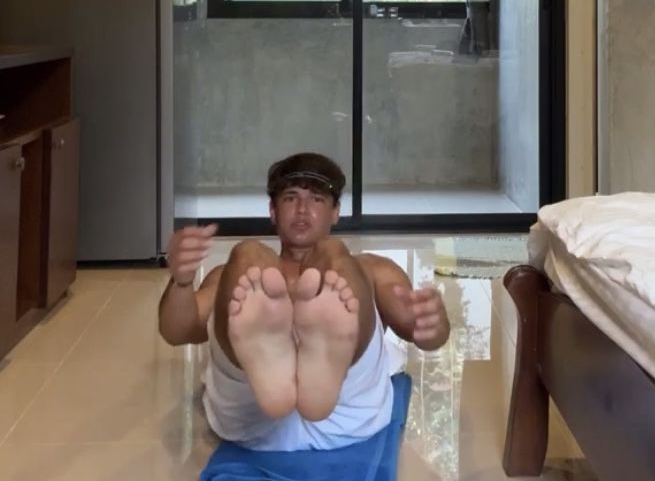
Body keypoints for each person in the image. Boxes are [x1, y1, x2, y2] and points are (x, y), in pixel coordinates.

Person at [158, 152, 450, 451]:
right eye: (290, 198)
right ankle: (270, 364)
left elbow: (422, 334)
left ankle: (322, 365)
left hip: (346, 405)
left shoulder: (371, 270)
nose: (302, 209)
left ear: (335, 212)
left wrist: (432, 324)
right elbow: (178, 331)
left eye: (316, 199)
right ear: (273, 211)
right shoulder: (237, 275)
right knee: (248, 253)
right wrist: (181, 281)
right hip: (250, 409)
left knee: (334, 253)